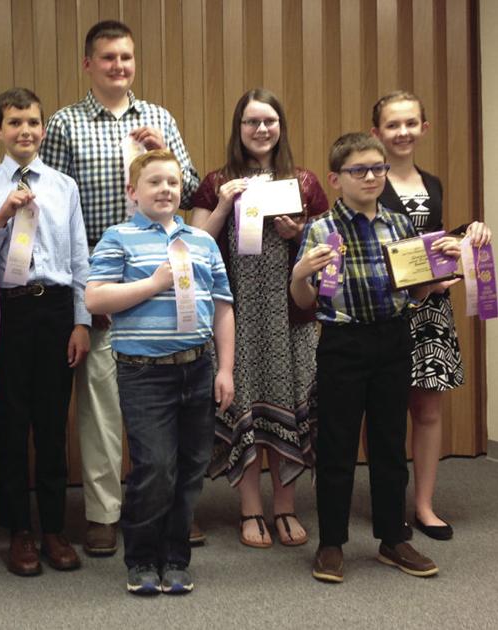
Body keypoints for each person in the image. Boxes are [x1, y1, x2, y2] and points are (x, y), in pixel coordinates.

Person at [40, 19, 201, 554]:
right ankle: (104, 514)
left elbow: (192, 187)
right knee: (103, 408)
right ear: (88, 64)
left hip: (165, 283)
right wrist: (77, 303)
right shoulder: (65, 124)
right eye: (108, 58)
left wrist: (165, 153)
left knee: (167, 406)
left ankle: (169, 509)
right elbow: (54, 206)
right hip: (104, 284)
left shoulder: (159, 117)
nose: (119, 67)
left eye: (126, 58)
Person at [291, 132, 457, 583]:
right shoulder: (321, 229)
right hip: (342, 344)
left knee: (388, 442)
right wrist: (301, 275)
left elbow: (418, 292)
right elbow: (304, 301)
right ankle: (331, 544)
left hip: (393, 339)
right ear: (336, 178)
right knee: (337, 445)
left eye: (378, 169)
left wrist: (440, 269)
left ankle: (392, 538)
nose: (370, 177)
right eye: (358, 170)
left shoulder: (400, 227)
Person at [85, 149, 234, 595]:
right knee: (155, 467)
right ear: (133, 192)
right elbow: (95, 300)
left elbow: (223, 307)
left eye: (172, 182)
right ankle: (142, 558)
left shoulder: (203, 242)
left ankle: (175, 558)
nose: (165, 189)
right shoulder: (118, 238)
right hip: (144, 374)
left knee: (190, 469)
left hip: (198, 369)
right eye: (154, 182)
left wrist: (225, 369)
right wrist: (153, 284)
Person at [190, 89, 328, 548]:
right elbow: (193, 243)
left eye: (269, 120)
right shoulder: (216, 182)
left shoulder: (304, 183)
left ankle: (284, 507)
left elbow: (331, 249)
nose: (261, 129)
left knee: (288, 402)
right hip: (236, 318)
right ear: (238, 128)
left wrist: (299, 232)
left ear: (281, 125)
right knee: (243, 404)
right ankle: (250, 509)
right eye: (251, 122)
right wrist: (226, 204)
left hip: (290, 316)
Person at [0, 87, 89, 576]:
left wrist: (81, 320)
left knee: (52, 425)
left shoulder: (63, 186)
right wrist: (0, 219)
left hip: (55, 310)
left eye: (33, 123)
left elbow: (79, 257)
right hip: (8, 313)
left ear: (43, 129)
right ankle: (19, 530)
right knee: (12, 427)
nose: (25, 131)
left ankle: (54, 528)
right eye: (14, 123)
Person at [370, 91, 492, 540]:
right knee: (383, 411)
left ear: (424, 127)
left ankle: (424, 505)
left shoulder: (434, 184)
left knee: (427, 410)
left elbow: (433, 244)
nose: (402, 132)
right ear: (376, 133)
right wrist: (420, 277)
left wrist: (468, 237)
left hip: (431, 313)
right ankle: (388, 502)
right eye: (392, 124)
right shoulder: (368, 182)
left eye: (410, 123)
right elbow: (373, 252)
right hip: (385, 308)